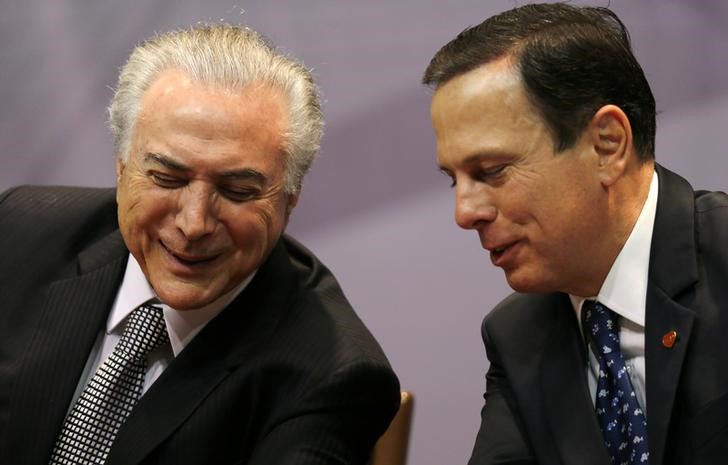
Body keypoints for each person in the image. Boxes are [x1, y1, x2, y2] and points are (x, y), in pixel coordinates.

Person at [0, 24, 400, 465]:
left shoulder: (332, 377)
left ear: (290, 200)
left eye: (238, 191)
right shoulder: (19, 231)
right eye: (168, 179)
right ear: (121, 169)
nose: (194, 223)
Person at [422, 3, 728, 465]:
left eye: (491, 170)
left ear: (607, 144)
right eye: (454, 179)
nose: (464, 213)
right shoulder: (519, 336)